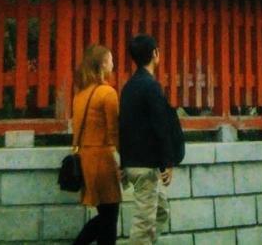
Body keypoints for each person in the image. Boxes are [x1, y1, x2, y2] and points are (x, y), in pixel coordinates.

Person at [118, 33, 182, 244]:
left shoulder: (127, 88)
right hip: (146, 167)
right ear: (155, 54)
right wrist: (167, 163)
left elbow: (123, 126)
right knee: (143, 226)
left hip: (133, 163)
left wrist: (123, 162)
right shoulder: (151, 87)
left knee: (161, 211)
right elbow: (160, 127)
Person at [70, 43, 121, 245]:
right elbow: (114, 132)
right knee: (110, 217)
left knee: (105, 215)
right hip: (103, 159)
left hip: (86, 158)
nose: (113, 64)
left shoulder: (80, 95)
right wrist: (124, 160)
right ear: (102, 64)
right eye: (110, 60)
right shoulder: (108, 93)